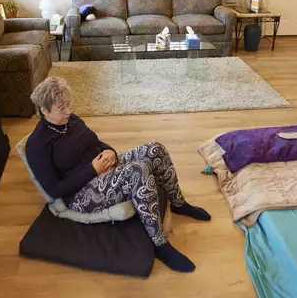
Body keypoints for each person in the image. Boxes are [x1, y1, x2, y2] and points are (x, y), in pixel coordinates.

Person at [26, 77, 211, 273]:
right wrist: (93, 170)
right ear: (44, 111)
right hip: (81, 192)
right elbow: (54, 190)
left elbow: (95, 143)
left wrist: (111, 152)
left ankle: (178, 203)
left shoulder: (72, 120)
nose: (68, 111)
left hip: (103, 168)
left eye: (68, 105)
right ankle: (159, 244)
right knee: (138, 171)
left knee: (156, 149)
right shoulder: (37, 145)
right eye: (61, 108)